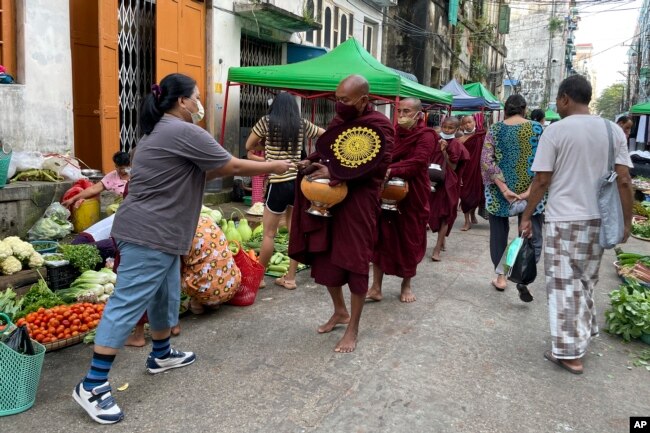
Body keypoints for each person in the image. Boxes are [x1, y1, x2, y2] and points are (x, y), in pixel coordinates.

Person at [72, 73, 292, 424]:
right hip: (150, 232)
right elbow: (231, 166)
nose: (199, 103)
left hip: (157, 231)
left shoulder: (157, 134)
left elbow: (204, 173)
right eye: (197, 97)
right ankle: (93, 384)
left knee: (163, 293)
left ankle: (161, 354)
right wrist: (276, 166)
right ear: (182, 101)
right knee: (127, 303)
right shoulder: (182, 130)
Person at [519, 75, 633, 375]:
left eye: (558, 99)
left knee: (562, 285)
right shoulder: (613, 130)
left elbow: (542, 180)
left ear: (566, 98)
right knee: (585, 281)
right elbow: (624, 179)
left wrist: (527, 215)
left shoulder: (555, 131)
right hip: (599, 220)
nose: (557, 105)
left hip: (564, 219)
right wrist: (627, 222)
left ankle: (570, 354)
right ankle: (584, 333)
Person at [289, 74, 394, 353]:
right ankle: (339, 310)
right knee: (326, 259)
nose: (339, 105)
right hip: (330, 202)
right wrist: (309, 161)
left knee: (354, 262)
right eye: (337, 99)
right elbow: (328, 149)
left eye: (345, 100)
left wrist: (333, 172)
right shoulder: (340, 122)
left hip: (359, 203)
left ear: (363, 101)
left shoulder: (380, 127)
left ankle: (353, 328)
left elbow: (377, 165)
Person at [245, 92, 324, 290]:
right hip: (296, 183)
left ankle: (260, 278)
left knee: (269, 234)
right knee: (293, 232)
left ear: (275, 106)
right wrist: (314, 157)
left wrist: (264, 145)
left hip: (278, 182)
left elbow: (248, 146)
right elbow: (325, 134)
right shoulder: (301, 123)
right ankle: (290, 278)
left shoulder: (266, 122)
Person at [366, 97, 434, 303]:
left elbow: (418, 162)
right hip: (386, 191)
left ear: (418, 114)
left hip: (413, 194)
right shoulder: (393, 134)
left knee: (409, 240)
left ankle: (406, 285)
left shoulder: (427, 135)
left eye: (407, 112)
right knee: (380, 238)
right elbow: (382, 155)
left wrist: (391, 169)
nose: (402, 116)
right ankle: (376, 287)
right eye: (400, 111)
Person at [480, 94, 544, 301]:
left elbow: (487, 161)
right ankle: (524, 278)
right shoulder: (537, 129)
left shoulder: (495, 129)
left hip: (500, 194)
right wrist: (529, 191)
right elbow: (546, 164)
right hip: (531, 192)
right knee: (530, 234)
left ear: (505, 109)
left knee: (499, 234)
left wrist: (504, 188)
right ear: (524, 109)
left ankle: (501, 277)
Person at [428, 116, 468, 261]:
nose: (447, 130)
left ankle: (437, 249)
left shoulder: (456, 145)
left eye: (451, 128)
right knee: (432, 213)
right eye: (445, 126)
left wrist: (444, 151)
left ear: (457, 130)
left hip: (448, 185)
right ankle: (442, 240)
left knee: (445, 215)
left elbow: (453, 166)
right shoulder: (434, 140)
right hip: (433, 182)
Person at [62, 151, 131, 208]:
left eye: (124, 168)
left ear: (129, 165)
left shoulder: (136, 174)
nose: (121, 171)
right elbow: (93, 189)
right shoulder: (112, 176)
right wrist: (72, 199)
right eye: (118, 168)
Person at [458, 114, 487, 231]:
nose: (468, 125)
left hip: (479, 170)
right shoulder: (460, 139)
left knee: (477, 194)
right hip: (465, 171)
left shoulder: (482, 136)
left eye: (470, 122)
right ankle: (467, 221)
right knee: (465, 196)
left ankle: (473, 214)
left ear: (475, 122)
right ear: (461, 126)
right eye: (465, 123)